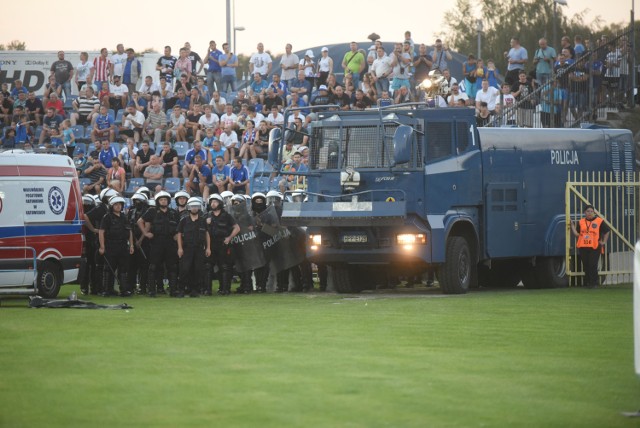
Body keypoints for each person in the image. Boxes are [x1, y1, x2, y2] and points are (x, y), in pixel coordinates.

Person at [139, 191, 180, 297]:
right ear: (157, 201)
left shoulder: (173, 212)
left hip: (170, 242)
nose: (163, 201)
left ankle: (173, 290)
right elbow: (140, 221)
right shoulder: (152, 211)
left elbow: (180, 226)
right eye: (161, 200)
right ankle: (152, 290)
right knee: (153, 266)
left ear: (168, 201)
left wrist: (177, 235)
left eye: (165, 199)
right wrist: (145, 233)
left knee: (172, 267)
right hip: (156, 242)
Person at [99, 194, 134, 297]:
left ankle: (124, 290)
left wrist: (131, 245)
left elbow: (129, 231)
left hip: (123, 246)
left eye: (120, 204)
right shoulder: (107, 217)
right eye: (116, 204)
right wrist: (102, 246)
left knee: (123, 269)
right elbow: (101, 232)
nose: (118, 206)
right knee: (109, 269)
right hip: (110, 245)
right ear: (111, 206)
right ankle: (107, 290)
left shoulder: (124, 217)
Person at [206, 194, 240, 295]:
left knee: (224, 267)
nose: (213, 204)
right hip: (211, 244)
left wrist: (229, 238)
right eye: (211, 202)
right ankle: (208, 290)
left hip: (223, 244)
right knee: (208, 266)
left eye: (215, 202)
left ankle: (225, 289)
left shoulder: (227, 216)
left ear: (220, 203)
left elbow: (237, 228)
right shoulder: (207, 215)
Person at [177, 197, 211, 297]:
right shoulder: (184, 220)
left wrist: (208, 247)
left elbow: (207, 234)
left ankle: (195, 290)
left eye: (196, 206)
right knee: (185, 269)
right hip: (187, 248)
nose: (194, 208)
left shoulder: (202, 220)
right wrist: (180, 248)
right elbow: (179, 234)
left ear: (199, 207)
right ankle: (181, 290)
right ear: (189, 207)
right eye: (192, 206)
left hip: (199, 248)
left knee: (198, 269)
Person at [570, 205, 610, 288]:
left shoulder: (599, 221)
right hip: (583, 247)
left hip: (595, 247)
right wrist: (573, 226)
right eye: (588, 211)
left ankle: (594, 283)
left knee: (593, 264)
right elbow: (577, 234)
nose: (590, 213)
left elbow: (607, 231)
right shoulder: (581, 222)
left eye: (591, 211)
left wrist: (604, 242)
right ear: (585, 212)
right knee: (586, 265)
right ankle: (588, 283)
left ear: (594, 212)